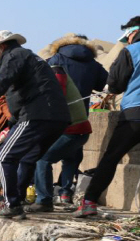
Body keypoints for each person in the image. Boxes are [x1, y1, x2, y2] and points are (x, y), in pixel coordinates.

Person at [75, 16, 140, 217]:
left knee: (110, 159)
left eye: (127, 36)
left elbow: (116, 85)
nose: (126, 41)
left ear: (134, 32)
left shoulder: (131, 51)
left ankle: (89, 202)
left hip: (135, 115)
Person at [0, 30, 70, 218]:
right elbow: (18, 96)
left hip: (37, 115)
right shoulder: (32, 58)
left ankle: (12, 204)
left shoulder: (14, 55)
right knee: (27, 158)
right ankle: (16, 199)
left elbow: (0, 82)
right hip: (57, 118)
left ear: (1, 47)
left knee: (4, 156)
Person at [45, 33, 108, 196]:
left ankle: (43, 196)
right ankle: (65, 193)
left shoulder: (56, 59)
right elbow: (105, 85)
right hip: (80, 120)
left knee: (43, 159)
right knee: (72, 158)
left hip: (54, 119)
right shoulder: (93, 64)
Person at [24, 67, 92, 213]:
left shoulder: (56, 74)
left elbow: (54, 100)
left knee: (42, 159)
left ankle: (43, 200)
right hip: (79, 130)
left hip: (72, 131)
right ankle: (65, 195)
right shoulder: (57, 74)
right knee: (68, 160)